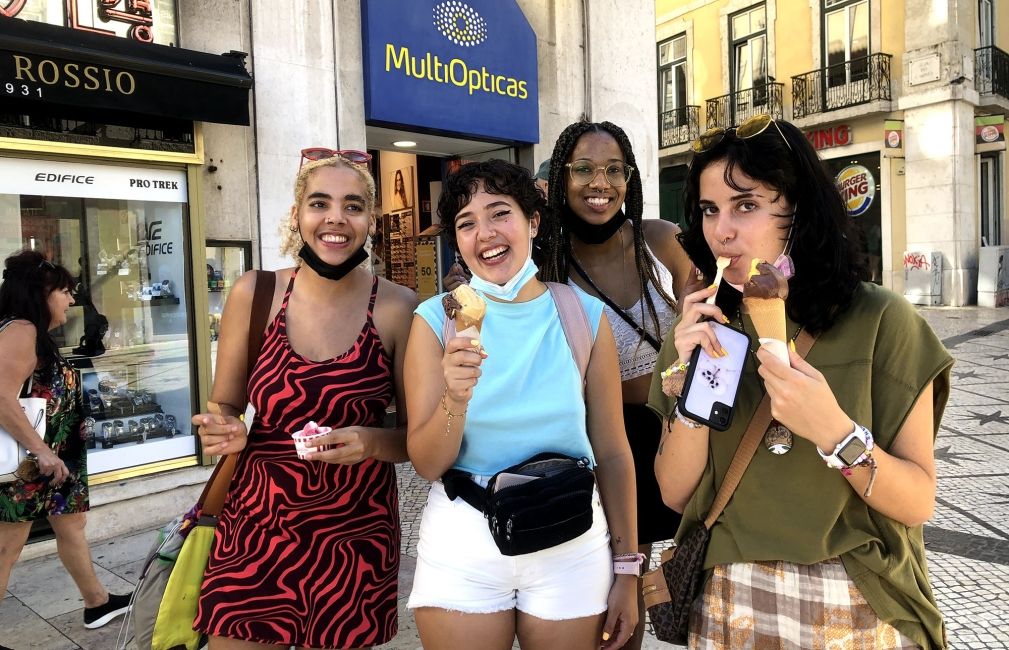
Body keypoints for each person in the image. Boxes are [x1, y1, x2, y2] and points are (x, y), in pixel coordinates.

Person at [648, 115, 953, 648]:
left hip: (856, 600)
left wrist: (834, 430)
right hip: (729, 601)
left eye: (747, 206)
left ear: (799, 210)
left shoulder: (884, 321)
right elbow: (674, 494)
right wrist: (694, 378)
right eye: (709, 210)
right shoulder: (699, 329)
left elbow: (917, 501)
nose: (722, 230)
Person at [404, 159, 639, 649]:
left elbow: (613, 452)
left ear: (532, 221)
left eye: (499, 213)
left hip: (571, 542)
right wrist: (456, 396)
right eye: (466, 223)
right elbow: (427, 461)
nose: (485, 233)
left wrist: (628, 569)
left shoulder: (582, 315)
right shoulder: (434, 321)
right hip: (464, 543)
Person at [192, 149, 417, 649]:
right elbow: (224, 404)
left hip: (354, 533)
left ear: (370, 220)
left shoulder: (399, 307)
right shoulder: (255, 293)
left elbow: (416, 439)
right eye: (320, 203)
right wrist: (226, 428)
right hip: (256, 522)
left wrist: (371, 442)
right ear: (297, 216)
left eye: (353, 205)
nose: (336, 218)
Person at [539, 120, 691, 650]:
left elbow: (708, 288)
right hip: (593, 437)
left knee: (632, 590)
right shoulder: (547, 258)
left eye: (612, 170)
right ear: (561, 179)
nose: (597, 182)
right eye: (582, 169)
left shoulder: (656, 240)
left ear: (629, 179)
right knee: (591, 585)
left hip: (661, 436)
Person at [0, 250, 131, 630]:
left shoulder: (29, 331)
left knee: (71, 525)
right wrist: (41, 451)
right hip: (29, 459)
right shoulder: (21, 330)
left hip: (58, 455)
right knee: (7, 546)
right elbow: (2, 397)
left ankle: (97, 602)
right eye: (64, 292)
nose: (71, 300)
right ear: (42, 293)